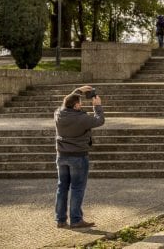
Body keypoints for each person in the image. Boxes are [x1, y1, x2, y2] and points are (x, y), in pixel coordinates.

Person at [54, 85, 105, 229]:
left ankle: (60, 220)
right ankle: (76, 220)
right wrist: (97, 106)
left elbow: (66, 103)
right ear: (76, 105)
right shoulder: (82, 118)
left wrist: (77, 91)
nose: (81, 105)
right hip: (78, 157)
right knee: (77, 188)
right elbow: (100, 120)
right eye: (79, 103)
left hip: (61, 156)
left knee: (62, 187)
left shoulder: (58, 114)